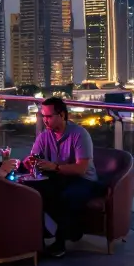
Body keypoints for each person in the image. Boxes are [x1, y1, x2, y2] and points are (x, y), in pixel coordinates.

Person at [24, 97, 105, 257]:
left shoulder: (79, 134)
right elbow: (33, 157)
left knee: (67, 196)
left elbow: (81, 169)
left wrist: (54, 167)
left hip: (83, 179)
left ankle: (60, 243)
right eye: (43, 116)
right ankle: (42, 237)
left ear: (61, 115)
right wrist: (30, 162)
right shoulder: (44, 136)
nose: (45, 120)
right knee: (34, 192)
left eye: (49, 116)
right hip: (58, 177)